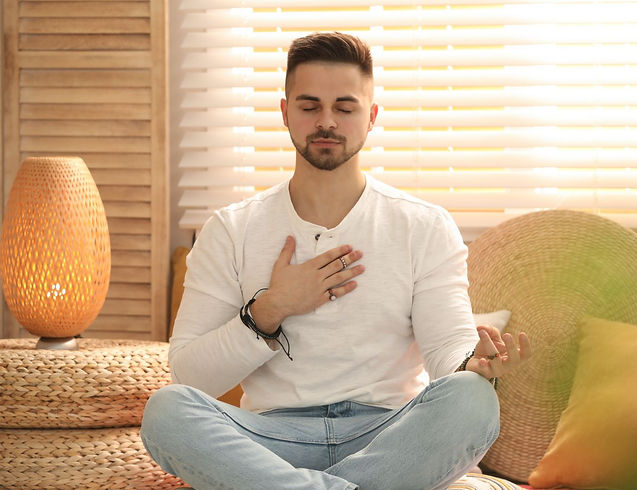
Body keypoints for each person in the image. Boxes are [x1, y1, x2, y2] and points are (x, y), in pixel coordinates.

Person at [141, 31, 531, 489]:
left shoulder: (422, 225)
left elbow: (449, 357)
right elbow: (189, 374)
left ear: (371, 118)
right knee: (166, 410)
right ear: (285, 112)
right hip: (272, 439)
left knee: (471, 399)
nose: (326, 121)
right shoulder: (231, 229)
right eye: (310, 107)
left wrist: (474, 366)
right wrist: (270, 309)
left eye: (345, 108)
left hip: (388, 436)